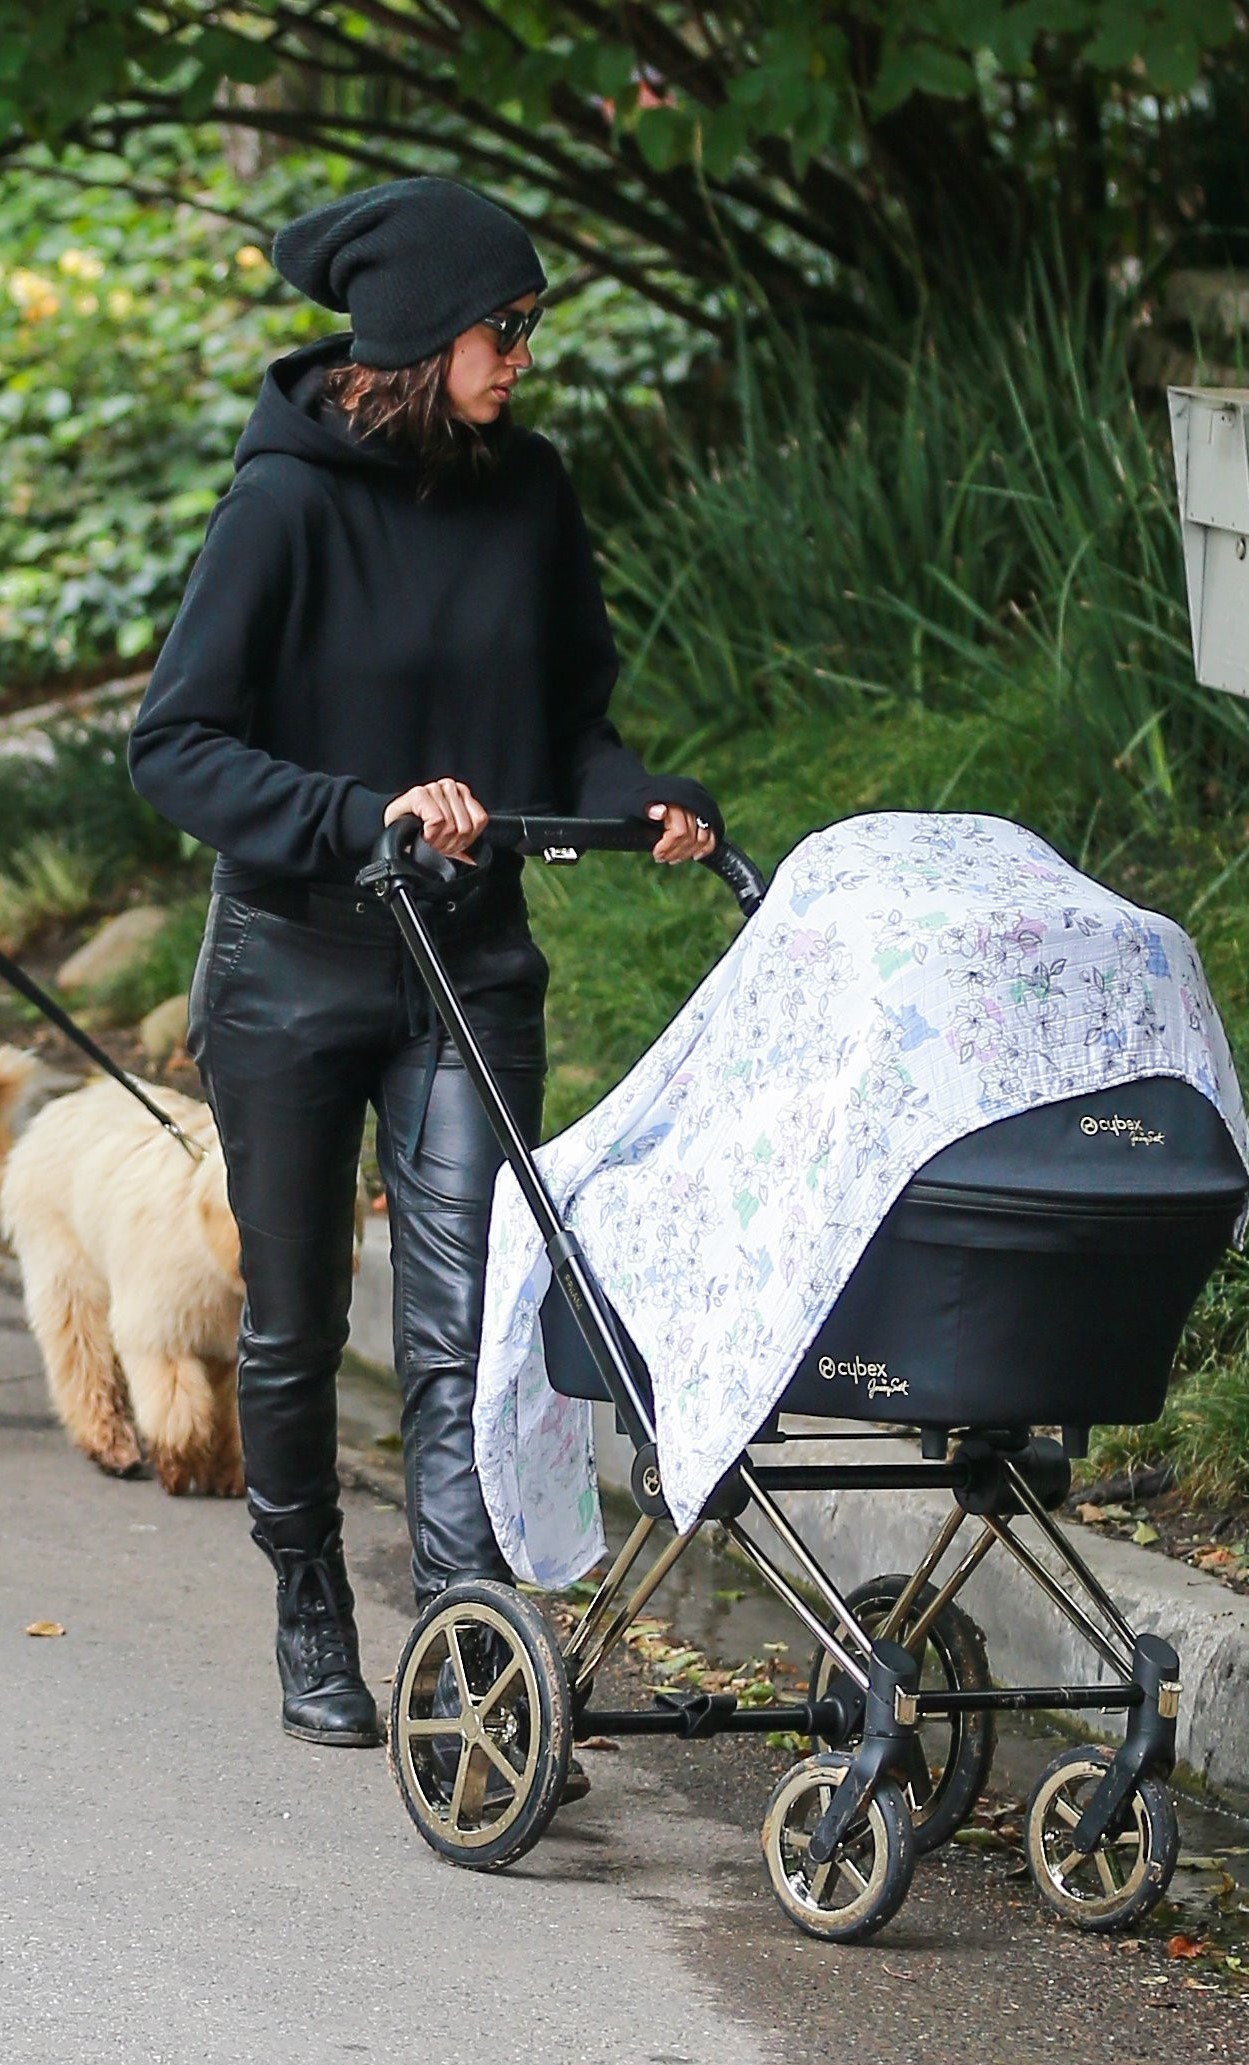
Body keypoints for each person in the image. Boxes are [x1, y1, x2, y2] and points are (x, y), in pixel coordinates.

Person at [127, 176, 722, 1763]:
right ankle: (310, 1592)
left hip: (466, 968)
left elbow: (571, 717)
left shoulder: (530, 495)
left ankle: (467, 1658)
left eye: (528, 325)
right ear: (413, 336)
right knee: (297, 1323)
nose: (523, 353)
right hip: (295, 969)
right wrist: (353, 812)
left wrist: (639, 795)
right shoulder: (282, 508)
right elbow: (173, 744)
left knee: (469, 1317)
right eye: (501, 326)